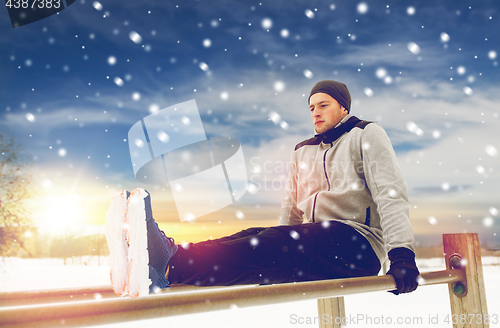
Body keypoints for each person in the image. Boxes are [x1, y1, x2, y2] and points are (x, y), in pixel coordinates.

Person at [106, 80, 419, 298]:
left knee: (271, 244)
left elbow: (390, 194)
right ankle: (163, 264)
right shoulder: (303, 151)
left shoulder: (366, 134)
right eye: (311, 107)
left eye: (323, 105)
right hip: (317, 241)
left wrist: (401, 255)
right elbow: (290, 213)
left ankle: (169, 263)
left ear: (343, 107)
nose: (315, 112)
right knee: (255, 237)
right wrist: (276, 257)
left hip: (358, 246)